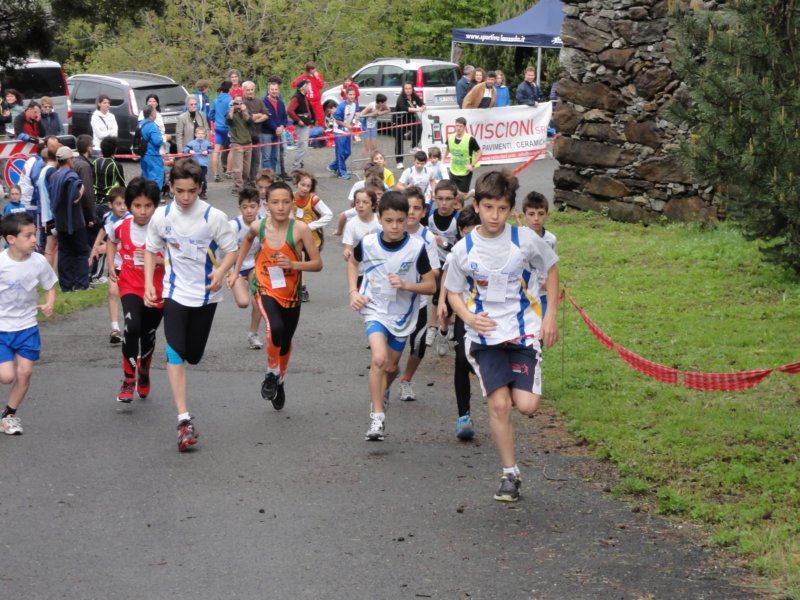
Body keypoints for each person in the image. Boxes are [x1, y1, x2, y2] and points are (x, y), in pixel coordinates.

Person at [444, 170, 559, 502]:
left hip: (522, 332)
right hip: (485, 337)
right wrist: (468, 317)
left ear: (511, 210)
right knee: (499, 405)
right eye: (488, 207)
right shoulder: (463, 249)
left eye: (502, 208)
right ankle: (510, 474)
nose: (494, 216)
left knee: (527, 405)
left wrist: (550, 316)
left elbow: (551, 268)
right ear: (476, 206)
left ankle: (515, 383)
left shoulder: (525, 240)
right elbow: (453, 292)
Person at [143, 158, 239, 452]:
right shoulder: (162, 216)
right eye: (180, 190)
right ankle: (183, 421)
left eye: (191, 191)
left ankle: (187, 361)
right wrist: (149, 283)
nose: (185, 197)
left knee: (193, 355)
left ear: (200, 188)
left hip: (206, 295)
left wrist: (221, 273)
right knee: (174, 352)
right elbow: (151, 249)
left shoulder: (213, 217)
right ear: (171, 187)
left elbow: (231, 250)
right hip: (174, 292)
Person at [347, 191, 437, 441]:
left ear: (407, 218)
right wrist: (353, 291)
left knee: (391, 366)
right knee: (378, 358)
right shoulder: (368, 243)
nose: (395, 226)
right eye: (389, 221)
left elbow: (431, 286)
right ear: (379, 218)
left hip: (403, 314)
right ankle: (377, 417)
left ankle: (384, 389)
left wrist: (407, 285)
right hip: (374, 308)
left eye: (400, 220)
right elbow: (353, 262)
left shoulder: (416, 249)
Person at [232, 181, 322, 410]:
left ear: (292, 204)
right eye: (275, 202)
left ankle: (279, 380)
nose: (280, 207)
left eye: (285, 202)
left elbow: (317, 264)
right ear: (266, 205)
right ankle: (271, 373)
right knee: (276, 328)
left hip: (291, 292)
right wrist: (235, 271)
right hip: (264, 286)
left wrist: (293, 264)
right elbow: (246, 241)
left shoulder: (300, 229)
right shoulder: (259, 226)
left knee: (285, 340)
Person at [108, 178, 165, 403]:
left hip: (156, 289)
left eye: (148, 206)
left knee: (147, 334)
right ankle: (129, 378)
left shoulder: (163, 229)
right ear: (129, 206)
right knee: (131, 328)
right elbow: (111, 240)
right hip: (130, 285)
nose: (142, 211)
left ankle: (144, 371)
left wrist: (159, 260)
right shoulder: (121, 226)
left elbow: (177, 257)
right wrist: (111, 265)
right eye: (137, 206)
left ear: (155, 206)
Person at [0, 213, 57, 436]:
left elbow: (50, 286)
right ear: (11, 239)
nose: (34, 239)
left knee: (25, 372)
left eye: (35, 234)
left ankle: (8, 416)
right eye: (28, 235)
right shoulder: (2, 263)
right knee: (6, 377)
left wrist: (49, 303)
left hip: (27, 327)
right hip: (2, 328)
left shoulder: (39, 261)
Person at [437, 205, 481, 440]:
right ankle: (464, 416)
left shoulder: (491, 251)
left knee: (482, 360)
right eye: (467, 231)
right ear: (461, 231)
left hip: (489, 313)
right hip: (464, 311)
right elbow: (447, 277)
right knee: (462, 360)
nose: (472, 236)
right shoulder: (457, 252)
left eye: (476, 230)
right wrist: (442, 302)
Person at [396, 186, 441, 402]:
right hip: (393, 302)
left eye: (417, 208)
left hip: (418, 301)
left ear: (424, 212)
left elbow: (435, 271)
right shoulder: (391, 231)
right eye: (408, 208)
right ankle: (387, 376)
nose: (412, 212)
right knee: (391, 352)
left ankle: (406, 379)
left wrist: (415, 277)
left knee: (418, 346)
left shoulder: (427, 237)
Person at [421, 179, 460, 356]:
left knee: (452, 297)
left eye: (448, 199)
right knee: (437, 296)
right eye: (440, 199)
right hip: (434, 264)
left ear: (455, 200)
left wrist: (444, 243)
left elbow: (463, 247)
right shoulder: (428, 215)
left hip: (453, 264)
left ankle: (447, 325)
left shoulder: (459, 219)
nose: (444, 203)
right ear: (434, 198)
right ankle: (436, 327)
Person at [49, 145, 93, 291]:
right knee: (82, 252)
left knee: (64, 253)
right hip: (74, 221)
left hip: (60, 221)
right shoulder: (71, 176)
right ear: (68, 160)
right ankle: (81, 284)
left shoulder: (54, 176)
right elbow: (75, 198)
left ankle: (66, 285)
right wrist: (82, 190)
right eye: (72, 158)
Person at [225, 187, 265, 350]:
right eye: (245, 207)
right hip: (236, 267)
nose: (249, 211)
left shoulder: (264, 222)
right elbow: (225, 251)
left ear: (259, 206)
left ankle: (253, 334)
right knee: (243, 303)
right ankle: (241, 286)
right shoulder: (233, 226)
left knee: (259, 301)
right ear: (240, 208)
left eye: (253, 206)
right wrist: (227, 272)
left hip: (254, 266)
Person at [89, 186, 128, 343]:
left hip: (130, 264)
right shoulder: (107, 216)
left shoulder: (130, 220)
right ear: (110, 205)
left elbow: (126, 243)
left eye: (125, 203)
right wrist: (95, 248)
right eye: (118, 204)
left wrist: (106, 248)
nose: (123, 207)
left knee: (129, 297)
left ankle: (131, 326)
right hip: (115, 263)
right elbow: (103, 230)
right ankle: (115, 329)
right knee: (112, 293)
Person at [292, 170, 332, 302]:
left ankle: (300, 287)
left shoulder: (314, 200)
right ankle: (301, 287)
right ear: (297, 183)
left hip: (311, 236)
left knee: (304, 260)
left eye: (308, 186)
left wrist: (311, 226)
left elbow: (328, 214)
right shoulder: (291, 198)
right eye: (302, 185)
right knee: (298, 257)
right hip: (295, 234)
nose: (305, 188)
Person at [522, 191, 557, 315]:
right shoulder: (519, 238)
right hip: (522, 294)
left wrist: (547, 281)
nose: (536, 218)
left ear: (547, 215)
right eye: (531, 214)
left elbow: (552, 266)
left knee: (543, 323)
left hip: (542, 294)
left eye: (540, 214)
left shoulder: (551, 239)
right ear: (524, 216)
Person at [444, 117, 482, 194]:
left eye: (460, 126)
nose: (458, 128)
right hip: (453, 170)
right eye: (457, 126)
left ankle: (471, 193)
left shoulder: (470, 139)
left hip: (465, 172)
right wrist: (443, 158)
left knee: (462, 196)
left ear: (464, 127)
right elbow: (448, 149)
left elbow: (479, 152)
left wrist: (472, 165)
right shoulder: (450, 137)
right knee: (452, 193)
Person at [327, 88, 359, 180]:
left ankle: (333, 166)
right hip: (339, 131)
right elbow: (337, 120)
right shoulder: (341, 106)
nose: (352, 96)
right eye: (350, 94)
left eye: (353, 95)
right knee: (340, 153)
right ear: (346, 95)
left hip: (347, 131)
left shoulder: (355, 103)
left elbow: (357, 113)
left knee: (348, 152)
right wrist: (346, 125)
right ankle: (342, 173)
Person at [260, 81, 290, 178]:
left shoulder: (280, 102)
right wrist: (276, 128)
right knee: (266, 157)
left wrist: (282, 126)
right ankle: (266, 177)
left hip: (277, 133)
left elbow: (284, 117)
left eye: (276, 89)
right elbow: (266, 118)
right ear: (268, 91)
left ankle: (273, 175)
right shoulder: (264, 102)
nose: (274, 91)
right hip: (266, 133)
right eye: (272, 89)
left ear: (278, 90)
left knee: (274, 156)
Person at [342, 188, 380, 263]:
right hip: (361, 266)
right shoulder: (351, 225)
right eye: (357, 202)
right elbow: (348, 247)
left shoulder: (381, 221)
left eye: (365, 202)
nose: (360, 205)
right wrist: (347, 252)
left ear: (373, 205)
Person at [393, 83, 426, 170]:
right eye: (406, 88)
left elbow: (421, 104)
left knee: (419, 127)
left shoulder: (414, 96)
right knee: (399, 141)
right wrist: (418, 109)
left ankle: (413, 146)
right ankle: (399, 162)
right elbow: (405, 108)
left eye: (409, 88)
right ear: (403, 89)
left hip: (410, 119)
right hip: (399, 120)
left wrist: (424, 107)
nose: (408, 90)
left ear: (412, 89)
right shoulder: (401, 98)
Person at [242, 81, 268, 184]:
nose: (250, 92)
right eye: (248, 90)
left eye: (252, 89)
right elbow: (247, 118)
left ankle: (253, 179)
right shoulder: (242, 102)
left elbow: (266, 114)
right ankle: (246, 179)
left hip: (257, 134)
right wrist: (257, 115)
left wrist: (256, 119)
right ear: (244, 90)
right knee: (246, 160)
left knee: (256, 159)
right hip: (246, 135)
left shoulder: (259, 101)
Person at [227, 93, 252, 195]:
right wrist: (232, 108)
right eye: (236, 102)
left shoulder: (246, 111)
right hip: (237, 143)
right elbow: (228, 120)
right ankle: (237, 188)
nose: (238, 104)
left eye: (240, 102)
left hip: (248, 142)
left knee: (246, 169)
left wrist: (244, 111)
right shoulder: (230, 113)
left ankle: (244, 186)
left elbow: (250, 122)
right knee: (238, 169)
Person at [287, 79, 315, 171]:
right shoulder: (296, 98)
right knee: (303, 146)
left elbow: (308, 109)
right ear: (302, 88)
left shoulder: (304, 97)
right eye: (307, 86)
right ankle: (296, 165)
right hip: (301, 125)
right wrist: (298, 120)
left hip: (306, 123)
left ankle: (299, 162)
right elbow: (290, 110)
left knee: (302, 145)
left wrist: (312, 119)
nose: (308, 87)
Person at [92, 136, 125, 209]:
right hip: (108, 201)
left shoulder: (95, 162)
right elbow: (122, 184)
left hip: (94, 200)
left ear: (101, 149)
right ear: (115, 150)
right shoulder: (116, 165)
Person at [209, 81, 232, 182]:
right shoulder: (230, 100)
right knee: (231, 149)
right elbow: (231, 115)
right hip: (228, 128)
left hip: (218, 128)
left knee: (216, 151)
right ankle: (228, 172)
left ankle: (216, 174)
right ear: (229, 89)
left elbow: (210, 115)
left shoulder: (216, 100)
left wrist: (216, 119)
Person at [291, 61, 325, 130]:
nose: (314, 70)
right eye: (312, 69)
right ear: (308, 70)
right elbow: (294, 84)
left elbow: (321, 85)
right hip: (308, 101)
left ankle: (321, 130)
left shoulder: (318, 76)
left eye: (314, 68)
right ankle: (310, 131)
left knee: (321, 116)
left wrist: (317, 77)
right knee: (309, 117)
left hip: (317, 100)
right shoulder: (303, 77)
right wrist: (301, 90)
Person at [183, 127, 213, 199]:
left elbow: (211, 149)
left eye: (202, 134)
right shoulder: (192, 142)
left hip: (203, 165)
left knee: (203, 179)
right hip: (194, 165)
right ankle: (194, 191)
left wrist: (207, 151)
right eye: (199, 134)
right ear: (195, 134)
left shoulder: (206, 143)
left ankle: (203, 192)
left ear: (205, 135)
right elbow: (185, 148)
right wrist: (190, 151)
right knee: (194, 179)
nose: (200, 135)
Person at [356, 93, 389, 159]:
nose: (386, 104)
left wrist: (380, 113)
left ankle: (373, 161)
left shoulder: (382, 105)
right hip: (366, 127)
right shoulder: (371, 106)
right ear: (380, 103)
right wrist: (372, 114)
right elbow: (361, 115)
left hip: (373, 126)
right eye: (385, 102)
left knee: (374, 147)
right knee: (367, 147)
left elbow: (388, 110)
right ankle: (365, 162)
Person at [139, 106, 165, 189]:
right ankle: (154, 194)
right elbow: (157, 141)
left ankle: (146, 194)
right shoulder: (152, 125)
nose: (156, 113)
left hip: (143, 155)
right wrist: (165, 138)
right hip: (153, 155)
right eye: (155, 112)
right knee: (156, 177)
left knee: (146, 177)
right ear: (151, 115)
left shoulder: (140, 123)